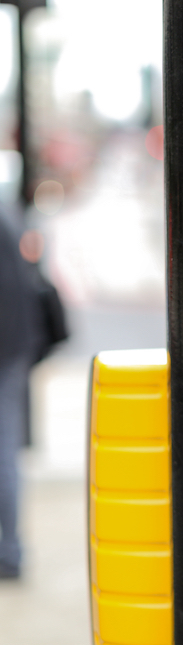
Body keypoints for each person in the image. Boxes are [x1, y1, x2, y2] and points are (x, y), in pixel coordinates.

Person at [0, 211, 44, 580]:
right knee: (6, 452)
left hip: (6, 350)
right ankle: (10, 552)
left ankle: (10, 553)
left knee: (3, 456)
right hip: (13, 348)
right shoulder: (8, 217)